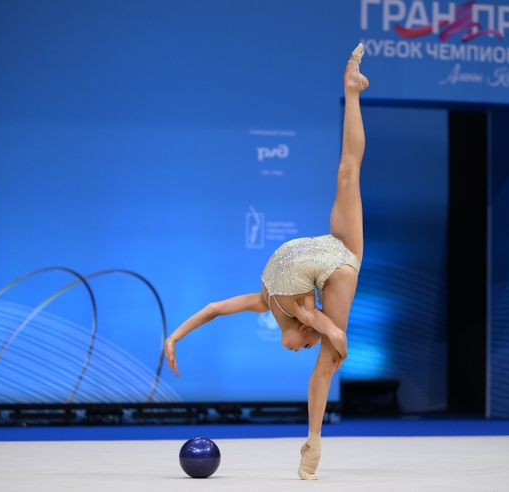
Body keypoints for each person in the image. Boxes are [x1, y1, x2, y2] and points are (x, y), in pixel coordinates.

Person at [164, 43, 369, 480]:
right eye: (305, 346)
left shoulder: (267, 303)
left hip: (322, 251)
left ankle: (352, 90)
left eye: (303, 343)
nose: (299, 350)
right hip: (335, 259)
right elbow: (327, 332)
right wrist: (331, 335)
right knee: (347, 171)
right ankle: (313, 442)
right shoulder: (300, 314)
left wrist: (176, 335)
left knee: (347, 172)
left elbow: (216, 309)